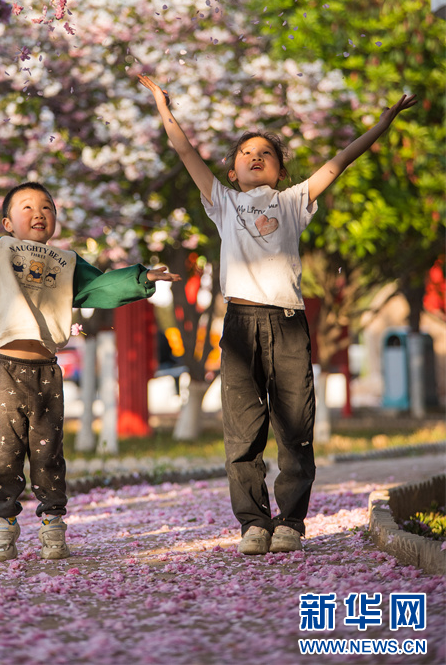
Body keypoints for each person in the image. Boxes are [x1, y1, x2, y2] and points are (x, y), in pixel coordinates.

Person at [138, 74, 416, 555]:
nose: (255, 157)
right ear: (233, 172)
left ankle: (289, 521)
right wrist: (164, 108)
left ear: (279, 171)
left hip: (287, 323)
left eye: (265, 153)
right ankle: (253, 523)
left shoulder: (293, 203)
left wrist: (385, 122)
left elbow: (340, 161)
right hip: (241, 325)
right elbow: (186, 154)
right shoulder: (223, 204)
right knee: (242, 430)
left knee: (295, 427)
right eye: (246, 153)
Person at [0, 182, 180, 562]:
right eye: (26, 207)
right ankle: (4, 525)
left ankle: (53, 527)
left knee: (48, 455)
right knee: (4, 455)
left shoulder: (68, 262)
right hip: (5, 371)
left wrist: (142, 279)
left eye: (47, 206)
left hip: (46, 372)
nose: (38, 212)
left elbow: (102, 285)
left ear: (56, 219)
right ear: (8, 222)